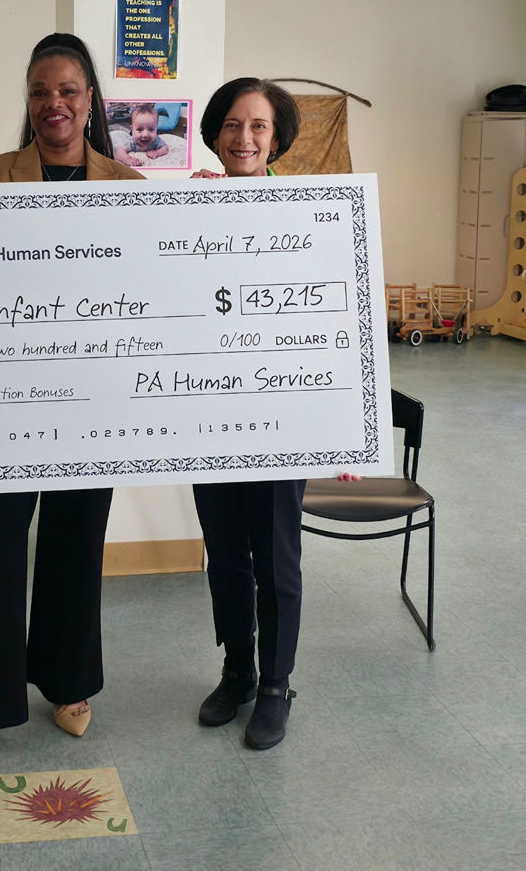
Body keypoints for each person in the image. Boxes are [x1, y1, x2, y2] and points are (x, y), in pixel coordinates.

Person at [0, 34, 144, 774]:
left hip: (89, 399)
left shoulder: (127, 183)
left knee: (76, 544)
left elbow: (147, 292)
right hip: (1, 401)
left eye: (69, 91)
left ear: (90, 102)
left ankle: (68, 684)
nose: (55, 104)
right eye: (42, 91)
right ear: (27, 100)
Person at [189, 78, 358, 751]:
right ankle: (237, 667)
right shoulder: (188, 207)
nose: (244, 138)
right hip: (207, 411)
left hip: (282, 416)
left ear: (278, 137)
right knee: (225, 554)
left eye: (258, 126)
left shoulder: (309, 210)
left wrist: (344, 425)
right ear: (214, 132)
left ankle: (277, 684)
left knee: (277, 556)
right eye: (232, 124)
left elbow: (335, 313)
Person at [114, 103, 170, 167]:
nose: (145, 135)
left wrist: (157, 153)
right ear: (132, 129)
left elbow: (165, 148)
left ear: (156, 129)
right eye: (140, 129)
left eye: (151, 129)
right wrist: (128, 159)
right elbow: (119, 151)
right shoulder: (132, 141)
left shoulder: (156, 140)